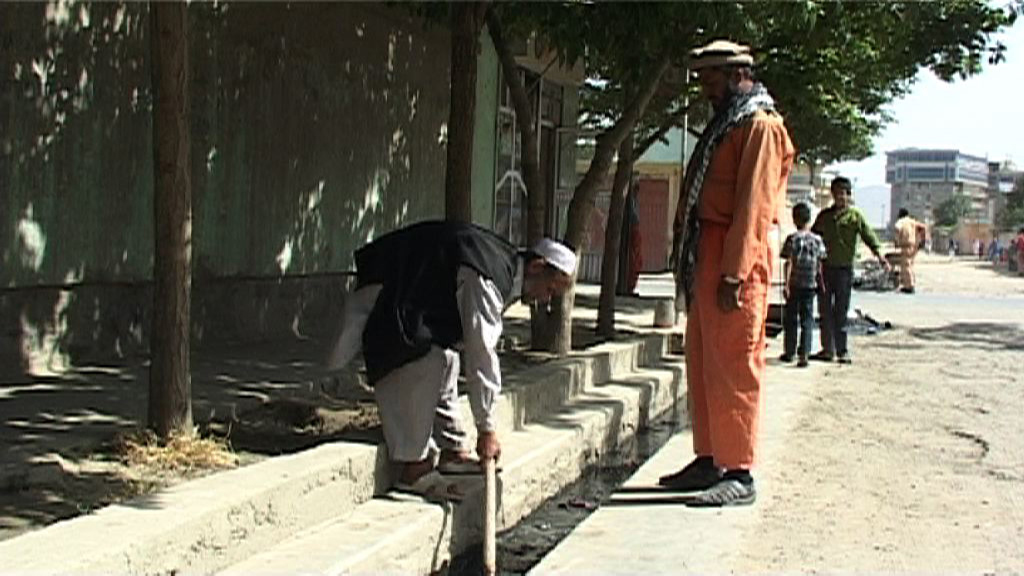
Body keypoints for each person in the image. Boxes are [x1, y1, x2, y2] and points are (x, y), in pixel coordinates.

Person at [326, 220, 576, 501]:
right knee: (428, 360)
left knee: (447, 359)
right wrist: (487, 429)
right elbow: (481, 354)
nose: (546, 300)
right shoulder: (487, 276)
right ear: (537, 267)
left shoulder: (500, 268)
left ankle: (452, 449)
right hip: (393, 312)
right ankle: (415, 468)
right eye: (550, 290)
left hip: (412, 308)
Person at [662, 40, 794, 507]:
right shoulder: (728, 123)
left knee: (735, 364)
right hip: (707, 253)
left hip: (734, 257)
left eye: (711, 79)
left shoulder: (760, 126)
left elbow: (754, 207)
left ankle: (739, 471)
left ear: (738, 75)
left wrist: (735, 274)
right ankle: (710, 458)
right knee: (703, 361)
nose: (705, 88)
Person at [810, 177, 889, 364]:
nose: (840, 197)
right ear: (832, 195)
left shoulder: (855, 217)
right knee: (824, 311)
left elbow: (869, 237)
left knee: (841, 311)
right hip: (825, 270)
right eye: (836, 193)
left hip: (844, 271)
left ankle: (842, 351)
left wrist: (880, 255)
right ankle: (827, 350)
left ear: (849, 195)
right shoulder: (824, 217)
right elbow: (812, 238)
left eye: (843, 194)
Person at [780, 203, 827, 368]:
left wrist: (786, 285)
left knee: (791, 319)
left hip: (794, 284)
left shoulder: (792, 239)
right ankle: (804, 354)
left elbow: (788, 263)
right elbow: (820, 265)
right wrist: (821, 283)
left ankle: (790, 352)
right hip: (810, 285)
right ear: (809, 219)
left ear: (794, 219)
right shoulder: (817, 240)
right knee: (807, 319)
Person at [893, 208, 928, 294]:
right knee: (910, 265)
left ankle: (909, 286)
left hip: (906, 245)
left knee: (905, 266)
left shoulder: (901, 221)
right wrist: (923, 240)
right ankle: (910, 283)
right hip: (914, 246)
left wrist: (896, 241)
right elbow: (923, 227)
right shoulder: (913, 221)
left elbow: (897, 228)